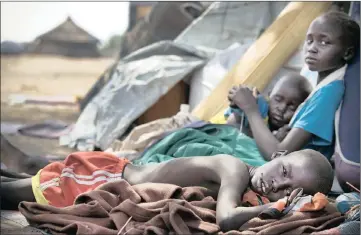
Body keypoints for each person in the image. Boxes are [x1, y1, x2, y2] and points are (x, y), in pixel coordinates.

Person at [1, 149, 333, 231]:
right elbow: (228, 218)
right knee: (8, 195)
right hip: (102, 178)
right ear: (276, 156)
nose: (278, 185)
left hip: (115, 169)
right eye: (284, 171)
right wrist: (270, 209)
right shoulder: (233, 168)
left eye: (288, 189)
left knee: (13, 186)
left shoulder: (247, 181)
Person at [228, 11, 360, 161]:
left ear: (348, 53)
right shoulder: (325, 86)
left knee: (215, 139)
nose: (312, 48)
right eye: (309, 40)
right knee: (229, 128)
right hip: (285, 162)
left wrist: (250, 108)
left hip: (285, 170)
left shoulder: (329, 93)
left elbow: (276, 155)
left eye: (324, 42)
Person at [224, 73, 312, 139]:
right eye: (278, 99)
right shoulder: (258, 105)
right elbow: (232, 120)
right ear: (269, 95)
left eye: (291, 107)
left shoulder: (291, 131)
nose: (281, 108)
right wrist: (237, 104)